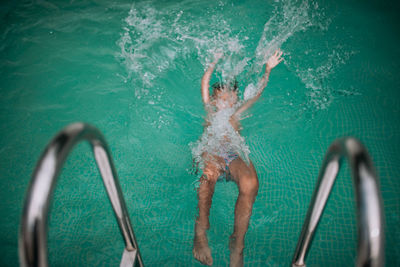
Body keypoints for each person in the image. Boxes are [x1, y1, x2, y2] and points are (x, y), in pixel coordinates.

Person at [192, 49, 284, 266]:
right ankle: (201, 232)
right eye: (220, 97)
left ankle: (237, 244)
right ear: (214, 100)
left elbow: (257, 93)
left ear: (235, 99)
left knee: (251, 182)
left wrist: (268, 70)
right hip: (212, 152)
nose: (225, 100)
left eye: (230, 97)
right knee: (206, 179)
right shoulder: (209, 109)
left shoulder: (237, 112)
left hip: (233, 155)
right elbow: (204, 83)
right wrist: (213, 61)